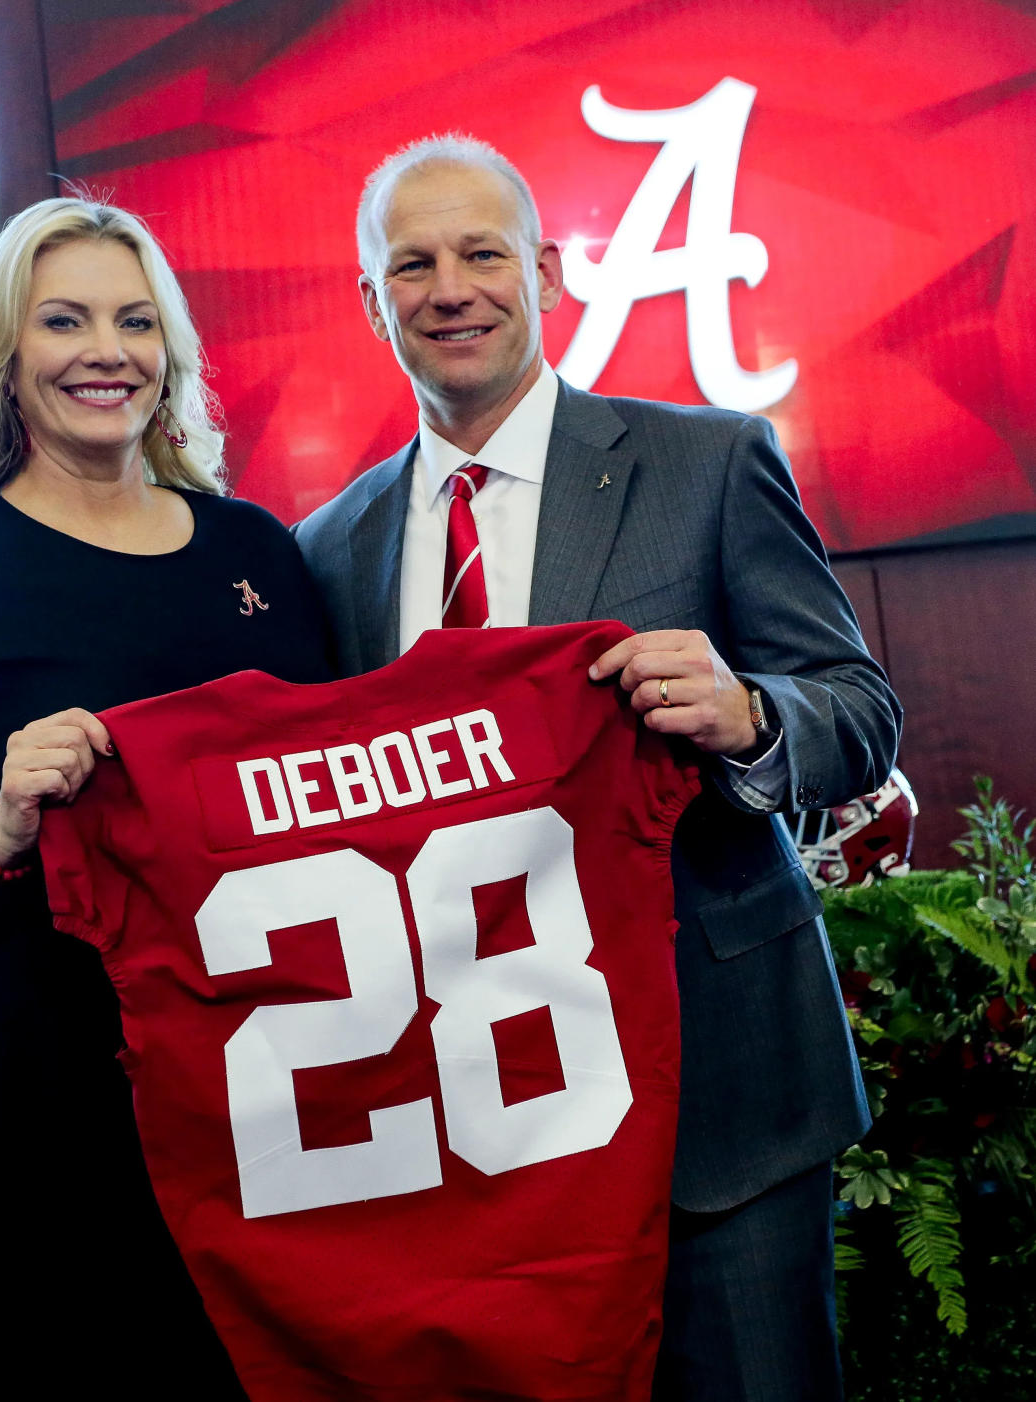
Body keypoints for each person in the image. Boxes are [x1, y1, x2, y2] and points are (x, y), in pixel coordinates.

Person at [294, 135, 903, 1401]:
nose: (450, 288)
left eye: (482, 253)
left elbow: (859, 709)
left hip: (720, 1108)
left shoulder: (709, 460)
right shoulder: (330, 545)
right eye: (412, 264)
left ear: (549, 273)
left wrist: (749, 714)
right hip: (482, 1131)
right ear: (370, 301)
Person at [0, 196, 331, 1400]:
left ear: (172, 354)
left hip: (270, 1091)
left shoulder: (257, 551)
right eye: (65, 320)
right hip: (47, 1105)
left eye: (136, 321)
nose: (108, 351)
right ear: (6, 356)